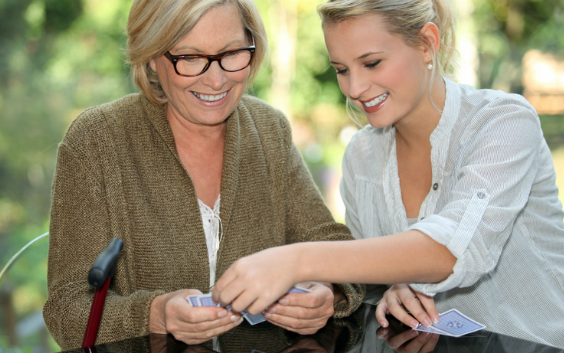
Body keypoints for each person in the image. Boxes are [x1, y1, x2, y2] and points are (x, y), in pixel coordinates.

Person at [211, 0, 564, 350]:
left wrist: (294, 261)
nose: (354, 89)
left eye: (371, 63)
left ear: (426, 43)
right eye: (341, 70)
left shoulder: (502, 122)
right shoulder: (362, 155)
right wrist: (389, 291)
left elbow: (451, 249)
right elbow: (368, 275)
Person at [42, 0, 365, 349]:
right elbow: (67, 309)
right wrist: (156, 312)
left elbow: (334, 248)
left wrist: (329, 293)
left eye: (232, 53)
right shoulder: (97, 141)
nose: (216, 79)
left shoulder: (269, 130)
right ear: (151, 56)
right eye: (190, 58)